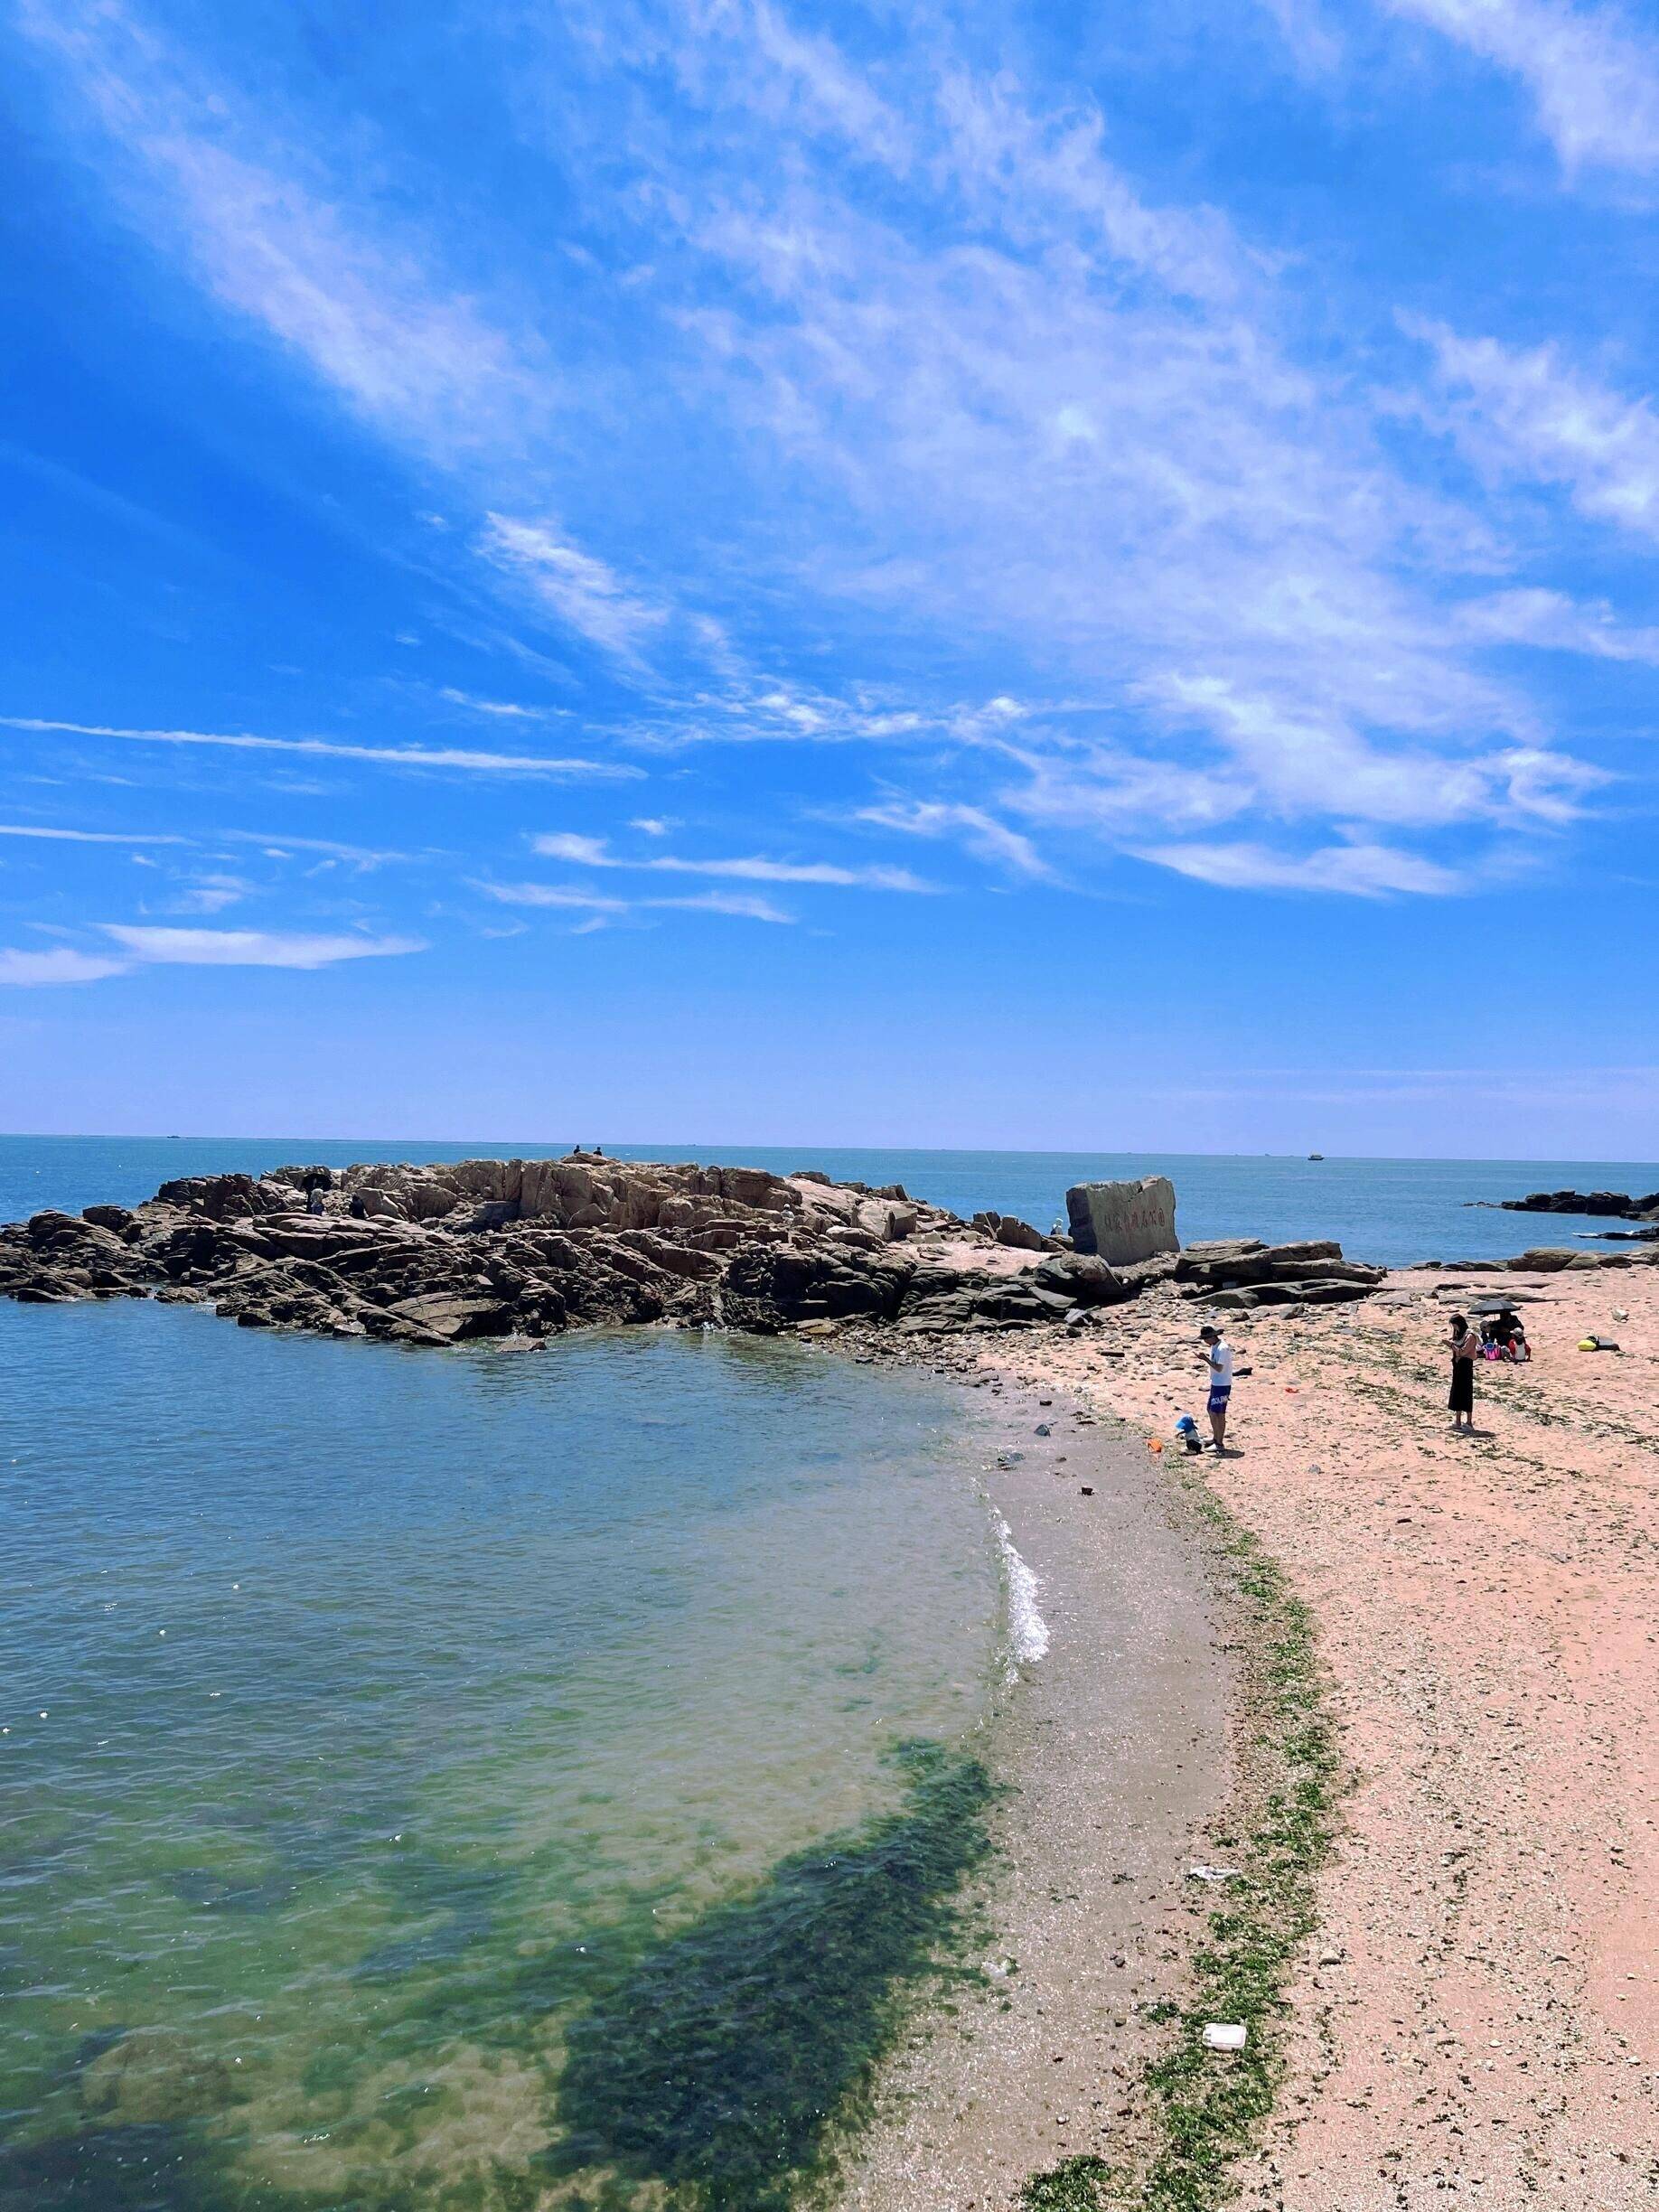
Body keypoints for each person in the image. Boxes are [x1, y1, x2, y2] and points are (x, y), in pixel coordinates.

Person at [1198, 1325, 1234, 1453]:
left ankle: (1219, 1443)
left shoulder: (1222, 1348)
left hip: (1223, 1384)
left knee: (1219, 1413)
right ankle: (1215, 1438)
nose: (1205, 1342)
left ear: (1212, 1336)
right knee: (1211, 1410)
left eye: (1206, 1339)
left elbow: (1219, 1368)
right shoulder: (1214, 1346)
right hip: (1216, 1383)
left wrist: (1205, 1359)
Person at [1448, 1312, 1479, 1430]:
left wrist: (1451, 1345)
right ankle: (1458, 1421)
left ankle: (1469, 1422)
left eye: (1455, 1325)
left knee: (1466, 1392)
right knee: (1457, 1392)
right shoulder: (1459, 1335)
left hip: (1465, 1366)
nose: (1454, 1328)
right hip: (1457, 1366)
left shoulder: (1469, 1335)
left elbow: (1463, 1351)